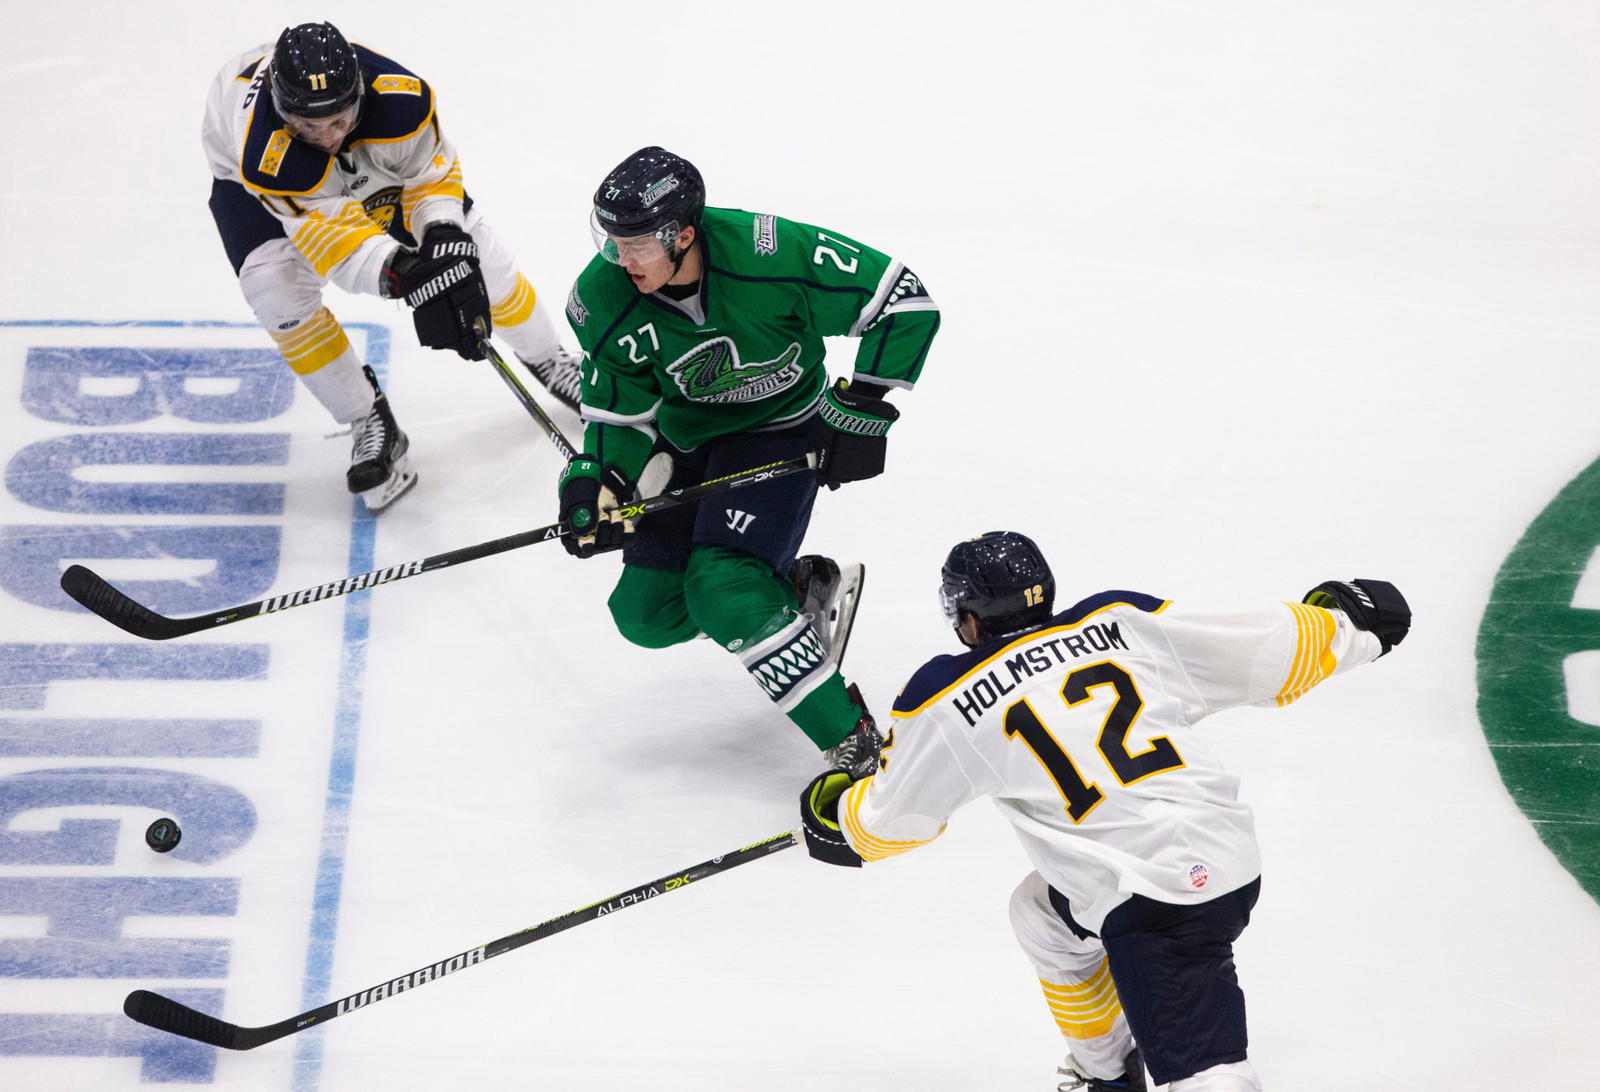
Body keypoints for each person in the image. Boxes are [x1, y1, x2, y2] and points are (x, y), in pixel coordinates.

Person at [800, 531, 1411, 1091]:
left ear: (967, 618)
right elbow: (1272, 651)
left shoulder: (946, 696)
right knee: (1042, 914)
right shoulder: (1119, 620)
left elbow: (885, 825)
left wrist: (833, 813)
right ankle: (1104, 1075)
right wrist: (1348, 621)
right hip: (1215, 849)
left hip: (1159, 896)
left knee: (1209, 1076)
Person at [558, 146, 940, 771]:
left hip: (780, 431)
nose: (620, 260)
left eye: (636, 245)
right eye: (614, 242)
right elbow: (617, 412)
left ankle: (853, 738)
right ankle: (794, 592)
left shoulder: (771, 253)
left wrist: (866, 408)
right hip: (686, 443)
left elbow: (903, 300)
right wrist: (596, 479)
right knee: (645, 615)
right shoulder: (602, 298)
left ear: (682, 235)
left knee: (722, 590)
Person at [201, 22, 582, 512]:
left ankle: (550, 359)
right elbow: (332, 239)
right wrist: (408, 276)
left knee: (475, 254)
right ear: (282, 111)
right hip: (254, 191)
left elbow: (429, 176)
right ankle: (367, 418)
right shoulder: (266, 155)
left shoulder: (402, 100)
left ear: (359, 91)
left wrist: (443, 239)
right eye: (307, 125)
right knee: (276, 292)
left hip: (370, 157)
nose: (327, 138)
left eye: (338, 120)